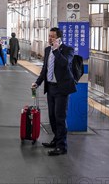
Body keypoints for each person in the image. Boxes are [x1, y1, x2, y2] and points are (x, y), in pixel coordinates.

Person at [31, 27, 76, 156]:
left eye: (53, 36)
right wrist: (38, 83)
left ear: (59, 38)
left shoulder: (68, 50)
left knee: (60, 117)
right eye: (49, 36)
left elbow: (64, 63)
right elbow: (45, 69)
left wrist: (56, 50)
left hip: (62, 89)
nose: (50, 38)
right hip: (50, 87)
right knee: (51, 116)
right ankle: (56, 140)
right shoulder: (47, 50)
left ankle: (62, 146)